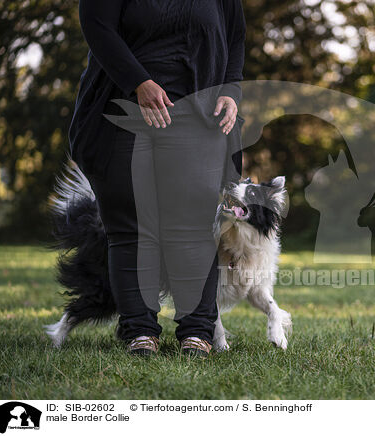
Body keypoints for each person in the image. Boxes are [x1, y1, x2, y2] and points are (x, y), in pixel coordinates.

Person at [68, 0, 246, 358]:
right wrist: (139, 82)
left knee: (195, 224)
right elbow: (98, 28)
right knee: (131, 226)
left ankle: (197, 332)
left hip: (198, 116)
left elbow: (235, 35)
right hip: (122, 110)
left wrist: (232, 89)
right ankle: (139, 332)